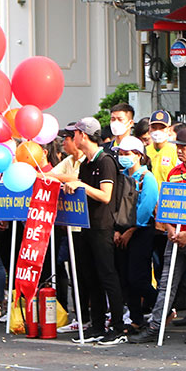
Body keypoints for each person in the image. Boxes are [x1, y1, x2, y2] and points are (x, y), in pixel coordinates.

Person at [138, 126, 186, 345]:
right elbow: (166, 207)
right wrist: (172, 231)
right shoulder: (174, 172)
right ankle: (155, 326)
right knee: (166, 283)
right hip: (175, 236)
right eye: (178, 147)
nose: (180, 151)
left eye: (184, 147)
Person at [57, 118, 127, 346]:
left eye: (74, 134)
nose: (72, 138)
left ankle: (117, 327)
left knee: (108, 276)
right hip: (85, 225)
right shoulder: (85, 163)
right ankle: (96, 326)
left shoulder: (105, 160)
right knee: (91, 277)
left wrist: (82, 186)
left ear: (83, 135)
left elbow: (106, 195)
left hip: (103, 226)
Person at [112, 135, 159, 335]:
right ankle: (136, 319)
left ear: (139, 155)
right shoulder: (120, 176)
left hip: (141, 232)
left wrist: (131, 230)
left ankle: (163, 307)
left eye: (127, 153)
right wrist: (116, 230)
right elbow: (113, 204)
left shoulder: (146, 178)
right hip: (121, 231)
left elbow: (146, 208)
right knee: (125, 278)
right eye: (121, 153)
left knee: (138, 278)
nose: (123, 157)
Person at [145, 110, 180, 181]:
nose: (157, 131)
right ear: (149, 129)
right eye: (154, 127)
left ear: (169, 130)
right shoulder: (144, 151)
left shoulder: (176, 152)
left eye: (162, 128)